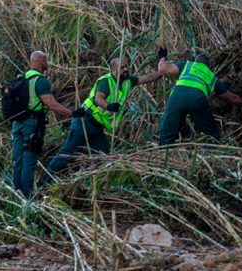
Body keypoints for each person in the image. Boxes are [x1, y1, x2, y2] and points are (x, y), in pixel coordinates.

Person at [42, 55, 165, 183]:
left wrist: (162, 68)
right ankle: (45, 181)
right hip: (85, 122)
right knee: (68, 152)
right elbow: (98, 98)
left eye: (126, 66)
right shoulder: (105, 81)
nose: (125, 69)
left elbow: (148, 78)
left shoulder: (127, 81)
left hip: (97, 128)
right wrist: (108, 106)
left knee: (103, 158)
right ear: (113, 70)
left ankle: (94, 184)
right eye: (122, 67)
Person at [11, 51, 73, 198]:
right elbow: (52, 105)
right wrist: (71, 112)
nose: (47, 63)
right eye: (46, 60)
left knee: (18, 159)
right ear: (40, 62)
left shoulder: (21, 78)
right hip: (32, 125)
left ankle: (16, 193)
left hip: (17, 123)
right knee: (29, 159)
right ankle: (27, 196)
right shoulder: (41, 81)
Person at [156, 49, 242, 145]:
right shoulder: (211, 76)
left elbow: (162, 68)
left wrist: (163, 56)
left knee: (167, 132)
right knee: (210, 132)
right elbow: (232, 98)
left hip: (177, 96)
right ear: (208, 66)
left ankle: (164, 150)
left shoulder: (187, 65)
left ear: (195, 61)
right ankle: (211, 148)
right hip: (197, 99)